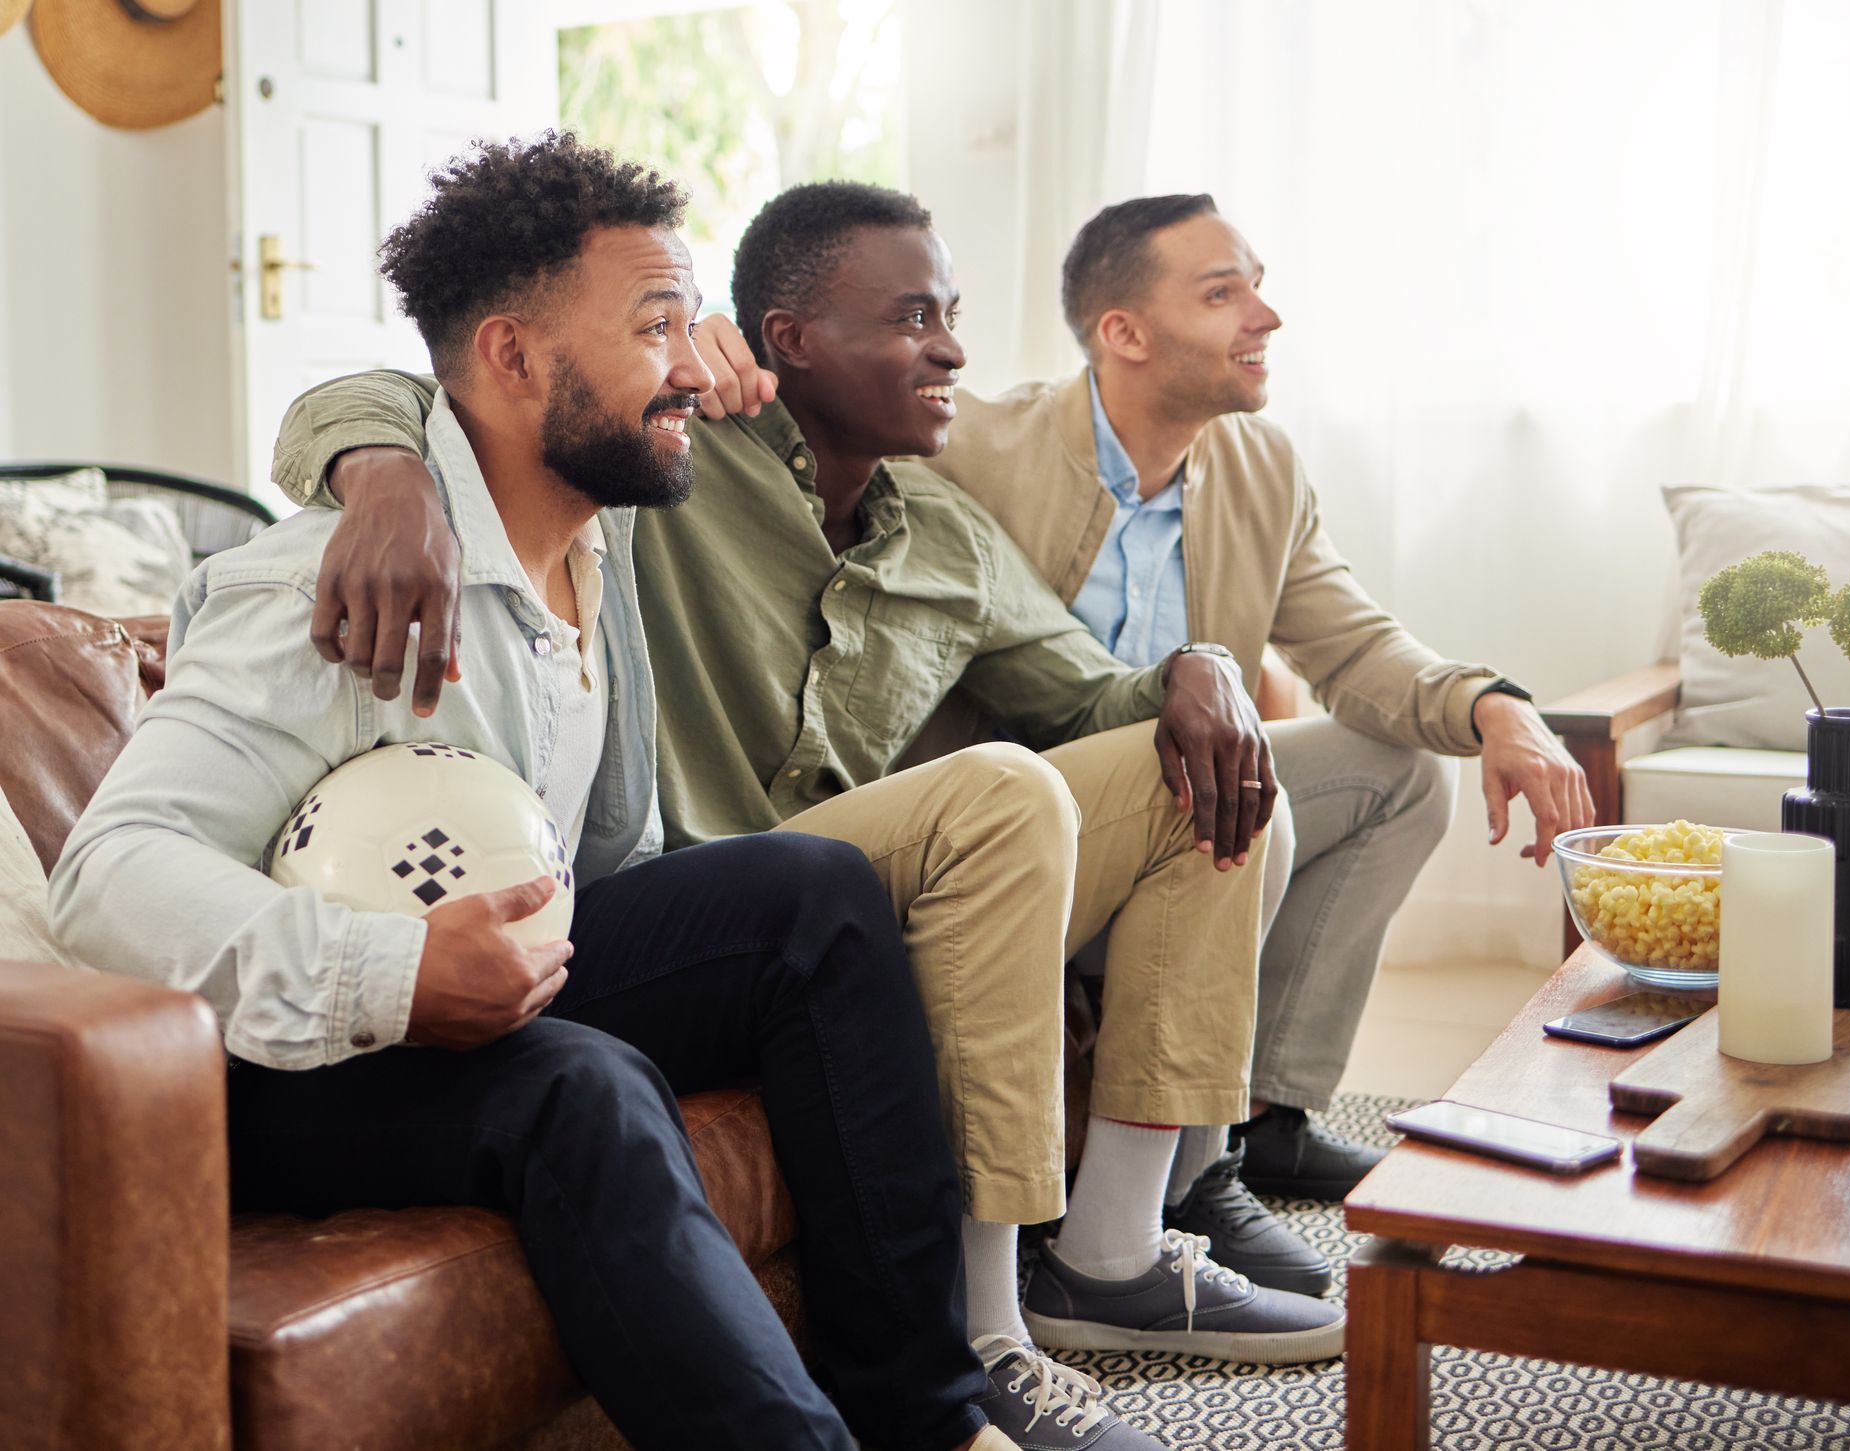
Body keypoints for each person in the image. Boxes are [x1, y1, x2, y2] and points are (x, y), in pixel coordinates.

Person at [266, 179, 1346, 1441]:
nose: (951, 346)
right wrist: (380, 475)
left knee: (1209, 768)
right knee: (999, 792)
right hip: (683, 901)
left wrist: (1202, 668)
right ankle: (982, 1331)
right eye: (910, 318)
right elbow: (420, 387)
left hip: (841, 889)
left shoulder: (946, 528)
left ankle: (1106, 1257)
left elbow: (1097, 694)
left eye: (950, 315)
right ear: (787, 341)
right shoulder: (670, 454)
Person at [49, 134, 1019, 1451]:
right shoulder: (324, 594)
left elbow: (614, 861)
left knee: (817, 894)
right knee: (583, 1084)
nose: (693, 362)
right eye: (653, 325)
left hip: (503, 964)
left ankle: (932, 1415)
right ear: (511, 357)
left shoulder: (600, 540)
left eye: (687, 320)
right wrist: (388, 970)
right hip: (291, 1060)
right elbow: (109, 871)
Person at [691, 194, 1595, 1287]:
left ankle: (1243, 1135)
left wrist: (1493, 705)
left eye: (1255, 283)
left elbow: (1349, 644)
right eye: (1223, 291)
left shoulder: (1250, 472)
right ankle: (1099, 1248)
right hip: (977, 820)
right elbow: (773, 392)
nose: (1265, 315)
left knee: (1375, 768)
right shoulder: (958, 441)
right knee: (1138, 778)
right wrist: (688, 345)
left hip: (1109, 778)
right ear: (1124, 332)